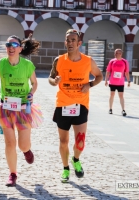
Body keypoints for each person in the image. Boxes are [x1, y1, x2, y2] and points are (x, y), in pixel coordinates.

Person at [0, 35, 43, 187]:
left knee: (23, 145)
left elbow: (34, 83)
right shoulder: (0, 64)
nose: (11, 47)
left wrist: (31, 93)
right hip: (6, 108)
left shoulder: (27, 65)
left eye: (14, 44)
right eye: (8, 44)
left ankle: (26, 151)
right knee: (9, 143)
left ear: (20, 48)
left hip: (23, 108)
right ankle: (13, 173)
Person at [48, 29, 103, 183]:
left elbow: (99, 76)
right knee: (63, 141)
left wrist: (90, 84)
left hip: (81, 105)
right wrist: (55, 81)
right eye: (68, 40)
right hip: (63, 105)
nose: (70, 43)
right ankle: (65, 169)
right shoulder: (59, 60)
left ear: (79, 43)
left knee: (80, 141)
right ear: (65, 42)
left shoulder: (88, 61)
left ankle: (76, 159)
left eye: (73, 40)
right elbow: (50, 79)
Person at [105, 49, 130, 116]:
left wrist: (128, 81)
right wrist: (106, 80)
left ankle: (123, 110)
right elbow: (108, 71)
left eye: (117, 53)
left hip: (120, 82)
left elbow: (126, 72)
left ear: (121, 54)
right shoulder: (112, 61)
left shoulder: (124, 62)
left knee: (121, 96)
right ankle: (110, 109)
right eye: (115, 53)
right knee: (112, 95)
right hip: (112, 81)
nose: (116, 54)